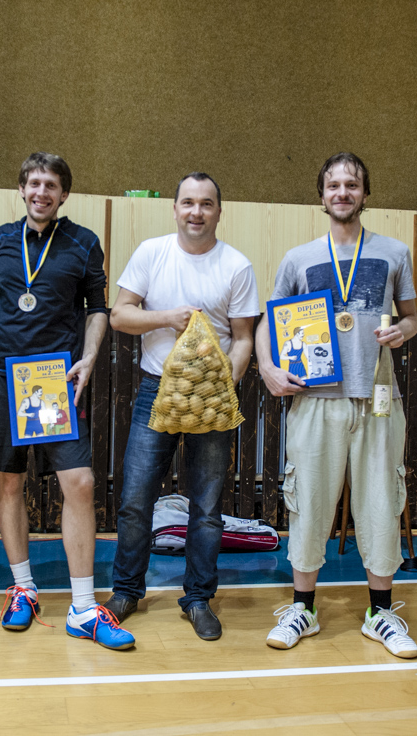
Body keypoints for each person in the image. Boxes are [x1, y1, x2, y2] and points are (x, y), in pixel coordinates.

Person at [256, 152, 417, 657]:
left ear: (365, 193)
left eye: (352, 184)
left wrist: (402, 331)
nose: (343, 192)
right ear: (322, 195)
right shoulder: (298, 258)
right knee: (308, 502)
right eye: (334, 185)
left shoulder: (395, 252)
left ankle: (380, 613)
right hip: (315, 401)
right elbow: (268, 322)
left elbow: (413, 318)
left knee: (381, 503)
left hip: (378, 399)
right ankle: (302, 609)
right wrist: (267, 368)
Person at [0, 151, 133, 650]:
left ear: (64, 194)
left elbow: (97, 309)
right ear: (21, 189)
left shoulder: (83, 242)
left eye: (51, 185)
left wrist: (89, 357)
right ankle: (23, 588)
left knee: (80, 483)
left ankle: (83, 608)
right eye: (34, 183)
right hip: (2, 375)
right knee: (9, 482)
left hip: (54, 380)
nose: (41, 192)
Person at [105, 172, 258, 641]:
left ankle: (197, 598)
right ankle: (126, 590)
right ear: (174, 209)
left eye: (206, 203)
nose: (196, 212)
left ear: (219, 211)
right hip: (156, 391)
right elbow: (119, 315)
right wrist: (166, 317)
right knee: (135, 500)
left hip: (210, 400)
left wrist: (222, 386)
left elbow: (244, 338)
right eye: (188, 202)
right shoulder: (152, 253)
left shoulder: (236, 265)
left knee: (206, 508)